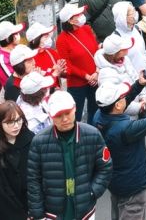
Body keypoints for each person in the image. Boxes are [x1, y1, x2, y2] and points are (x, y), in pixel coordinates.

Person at [26, 90, 112, 220]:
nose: (65, 119)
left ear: (75, 108)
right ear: (50, 115)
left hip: (85, 211)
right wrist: (38, 215)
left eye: (67, 113)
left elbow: (105, 167)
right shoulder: (39, 142)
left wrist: (92, 191)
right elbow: (33, 180)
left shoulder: (93, 134)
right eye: (59, 115)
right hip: (52, 213)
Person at [95, 69, 146, 212]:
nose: (125, 97)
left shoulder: (99, 115)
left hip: (116, 182)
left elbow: (121, 104)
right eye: (122, 96)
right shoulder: (126, 128)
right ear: (116, 105)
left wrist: (138, 85)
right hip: (133, 188)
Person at [0, 101, 33, 220]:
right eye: (9, 122)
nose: (16, 126)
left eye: (19, 120)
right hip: (7, 211)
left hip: (32, 205)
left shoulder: (30, 139)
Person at [55, 2, 100, 122]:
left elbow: (96, 51)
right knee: (75, 116)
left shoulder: (86, 29)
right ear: (70, 20)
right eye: (77, 14)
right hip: (77, 84)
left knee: (95, 112)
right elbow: (67, 65)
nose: (81, 15)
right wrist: (85, 76)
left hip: (95, 79)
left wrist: (96, 71)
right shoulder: (62, 39)